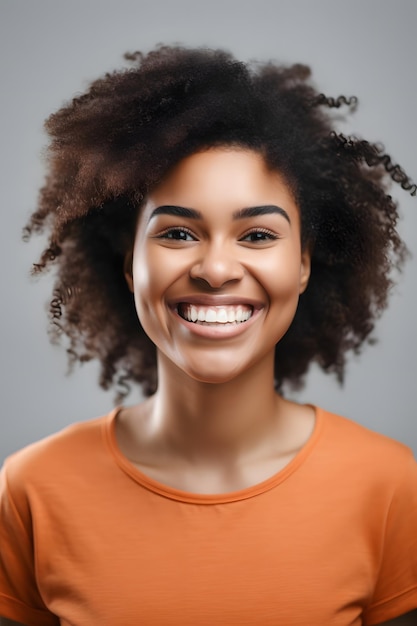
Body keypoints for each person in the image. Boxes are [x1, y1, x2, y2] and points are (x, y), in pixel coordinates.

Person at [0, 46, 416, 626]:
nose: (216, 270)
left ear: (303, 264)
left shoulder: (392, 488)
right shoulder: (31, 490)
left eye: (256, 235)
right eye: (176, 233)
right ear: (128, 266)